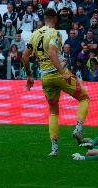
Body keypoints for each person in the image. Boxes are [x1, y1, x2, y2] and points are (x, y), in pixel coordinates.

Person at [22, 9, 89, 156]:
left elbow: (25, 56)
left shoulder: (34, 34)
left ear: (44, 18)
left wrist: (29, 76)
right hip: (59, 73)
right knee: (84, 98)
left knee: (53, 112)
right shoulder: (55, 33)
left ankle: (54, 149)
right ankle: (78, 129)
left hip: (45, 78)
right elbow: (52, 52)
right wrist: (62, 72)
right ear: (55, 19)